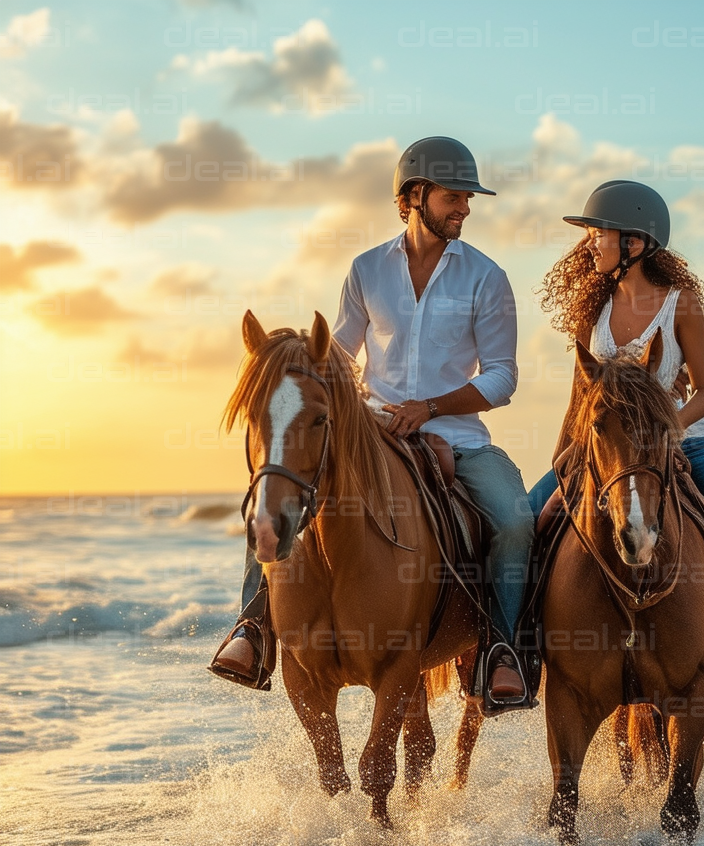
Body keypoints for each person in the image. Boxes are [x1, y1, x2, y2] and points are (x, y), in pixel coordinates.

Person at [210, 136, 533, 706]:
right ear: (414, 195)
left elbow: (502, 377)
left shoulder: (487, 277)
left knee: (512, 518)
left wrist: (430, 408)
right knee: (275, 490)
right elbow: (340, 354)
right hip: (373, 429)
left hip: (456, 434)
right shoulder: (365, 270)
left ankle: (498, 649)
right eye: (453, 196)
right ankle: (254, 628)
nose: (464, 207)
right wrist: (326, 386)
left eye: (467, 198)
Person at [528, 179, 704, 699]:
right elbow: (578, 404)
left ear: (634, 242)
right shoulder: (595, 312)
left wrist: (663, 430)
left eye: (598, 235)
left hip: (689, 440)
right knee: (527, 520)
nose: (590, 245)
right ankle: (521, 646)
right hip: (605, 452)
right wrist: (564, 465)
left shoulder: (682, 303)